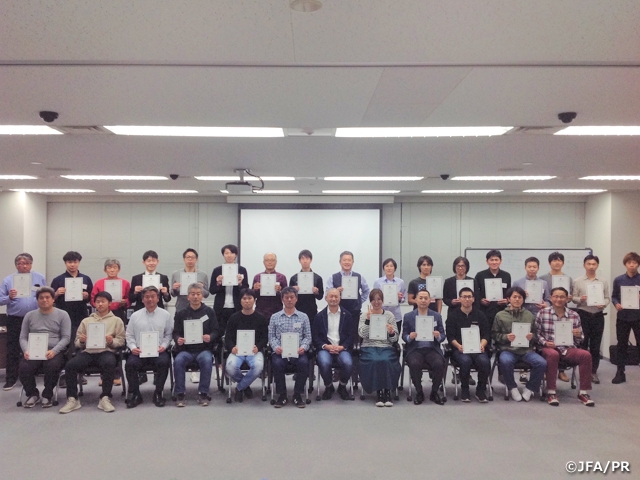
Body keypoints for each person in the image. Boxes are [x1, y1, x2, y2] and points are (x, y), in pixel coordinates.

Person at [58, 291, 126, 414]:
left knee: (109, 363)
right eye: (98, 302)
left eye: (103, 301)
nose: (100, 304)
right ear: (94, 304)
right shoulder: (86, 321)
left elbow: (121, 341)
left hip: (106, 351)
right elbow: (76, 342)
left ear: (109, 303)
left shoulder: (117, 320)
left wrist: (112, 341)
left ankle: (105, 397)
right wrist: (82, 341)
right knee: (70, 365)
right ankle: (72, 399)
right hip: (88, 352)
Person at [536, 287, 594, 407]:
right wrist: (545, 342)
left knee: (586, 355)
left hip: (568, 348)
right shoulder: (542, 313)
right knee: (553, 354)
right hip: (549, 347)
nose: (559, 299)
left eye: (562, 297)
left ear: (567, 299)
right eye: (556, 296)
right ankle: (551, 392)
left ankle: (583, 392)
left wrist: (578, 335)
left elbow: (580, 339)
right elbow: (536, 334)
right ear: (551, 298)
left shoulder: (574, 315)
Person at [0, 253, 47, 390]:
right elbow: (0, 300)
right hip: (15, 318)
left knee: (36, 345)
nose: (23, 266)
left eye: (26, 263)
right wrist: (9, 297)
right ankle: (11, 378)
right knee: (13, 348)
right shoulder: (8, 280)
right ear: (16, 265)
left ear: (31, 264)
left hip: (36, 317)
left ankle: (34, 374)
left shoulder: (39, 277)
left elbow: (46, 295)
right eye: (20, 263)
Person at [18, 287, 71, 408]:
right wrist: (26, 350)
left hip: (54, 351)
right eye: (41, 298)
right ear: (37, 300)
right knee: (23, 367)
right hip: (33, 350)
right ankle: (32, 394)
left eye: (47, 297)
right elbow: (23, 337)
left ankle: (47, 394)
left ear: (53, 299)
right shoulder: (29, 316)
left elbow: (66, 338)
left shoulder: (63, 315)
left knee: (52, 366)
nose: (44, 300)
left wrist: (54, 351)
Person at [492, 286, 547, 402]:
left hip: (526, 350)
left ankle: (530, 388)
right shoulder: (500, 315)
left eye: (520, 297)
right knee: (505, 361)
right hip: (508, 349)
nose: (517, 299)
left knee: (541, 363)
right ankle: (512, 388)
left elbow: (536, 335)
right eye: (514, 297)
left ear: (523, 299)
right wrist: (506, 337)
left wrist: (532, 337)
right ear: (508, 299)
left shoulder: (529, 315)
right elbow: (494, 335)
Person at [124, 286, 173, 408]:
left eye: (153, 296)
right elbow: (129, 335)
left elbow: (168, 334)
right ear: (142, 299)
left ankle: (158, 393)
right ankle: (136, 394)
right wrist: (133, 347)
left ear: (158, 298)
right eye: (147, 297)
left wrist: (163, 346)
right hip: (139, 351)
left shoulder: (165, 315)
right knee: (130, 364)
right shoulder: (135, 316)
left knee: (164, 362)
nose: (150, 299)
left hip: (158, 350)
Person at [50, 251, 93, 386]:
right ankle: (64, 375)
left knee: (81, 344)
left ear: (79, 262)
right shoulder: (58, 280)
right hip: (63, 317)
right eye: (69, 262)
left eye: (75, 262)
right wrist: (56, 294)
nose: (72, 264)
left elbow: (92, 298)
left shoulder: (86, 279)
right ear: (65, 263)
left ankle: (80, 373)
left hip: (81, 316)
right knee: (65, 346)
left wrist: (87, 296)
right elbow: (50, 299)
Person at [172, 283, 219, 407]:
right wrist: (178, 339)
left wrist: (210, 337)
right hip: (186, 350)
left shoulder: (209, 312)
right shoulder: (181, 313)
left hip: (204, 349)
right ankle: (180, 393)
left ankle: (203, 393)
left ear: (202, 296)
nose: (195, 297)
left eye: (198, 294)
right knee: (178, 361)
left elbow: (216, 330)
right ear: (188, 296)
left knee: (207, 360)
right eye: (192, 294)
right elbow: (175, 332)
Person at [445, 287, 491, 403]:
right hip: (460, 349)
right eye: (464, 297)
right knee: (465, 361)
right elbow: (450, 336)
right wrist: (458, 346)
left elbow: (486, 334)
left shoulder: (480, 315)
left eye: (469, 297)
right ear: (459, 299)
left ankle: (480, 390)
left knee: (484, 361)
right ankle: (464, 389)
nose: (467, 299)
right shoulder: (453, 316)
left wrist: (482, 345)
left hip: (477, 348)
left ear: (473, 299)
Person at [268, 287, 311, 408]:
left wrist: (303, 347)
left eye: (292, 297)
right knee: (277, 363)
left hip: (298, 352)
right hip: (280, 352)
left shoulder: (303, 317)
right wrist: (276, 347)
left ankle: (297, 395)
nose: (289, 300)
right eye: (286, 297)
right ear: (282, 299)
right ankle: (282, 395)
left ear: (296, 299)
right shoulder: (275, 317)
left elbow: (308, 337)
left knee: (304, 363)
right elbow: (271, 337)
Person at [358, 289, 401, 407]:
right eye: (373, 299)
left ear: (382, 300)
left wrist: (391, 332)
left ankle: (387, 391)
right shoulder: (364, 315)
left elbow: (395, 339)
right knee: (375, 360)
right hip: (369, 346)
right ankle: (378, 392)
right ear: (370, 301)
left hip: (386, 346)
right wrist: (368, 320)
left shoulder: (389, 315)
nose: (376, 302)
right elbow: (362, 334)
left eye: (379, 299)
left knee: (386, 360)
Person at [402, 290, 446, 405]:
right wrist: (410, 337)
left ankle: (434, 392)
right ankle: (419, 392)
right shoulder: (408, 316)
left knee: (439, 363)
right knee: (414, 363)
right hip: (415, 349)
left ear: (430, 300)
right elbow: (404, 335)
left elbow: (443, 335)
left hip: (432, 349)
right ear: (416, 300)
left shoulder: (436, 316)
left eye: (426, 298)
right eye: (420, 298)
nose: (423, 300)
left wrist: (438, 336)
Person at [572, 254, 610, 384]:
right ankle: (583, 371)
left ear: (597, 265)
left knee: (595, 345)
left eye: (594, 264)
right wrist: (580, 299)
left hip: (598, 316)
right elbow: (573, 298)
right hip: (583, 315)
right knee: (582, 344)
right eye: (589, 264)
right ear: (584, 265)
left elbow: (607, 298)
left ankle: (593, 372)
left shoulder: (603, 281)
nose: (591, 266)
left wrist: (603, 304)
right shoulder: (578, 281)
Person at [225, 289, 268, 402]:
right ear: (240, 301)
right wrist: (232, 347)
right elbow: (228, 337)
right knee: (230, 367)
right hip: (237, 351)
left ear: (254, 300)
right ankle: (245, 386)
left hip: (254, 351)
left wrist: (258, 347)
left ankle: (240, 388)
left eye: (250, 298)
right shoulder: (234, 318)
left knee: (258, 366)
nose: (247, 301)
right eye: (244, 298)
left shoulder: (260, 318)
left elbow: (265, 337)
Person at [312, 288, 355, 401]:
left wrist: (342, 347)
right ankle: (329, 386)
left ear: (340, 298)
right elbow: (315, 336)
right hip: (325, 348)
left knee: (348, 363)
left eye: (336, 296)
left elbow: (351, 335)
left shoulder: (347, 315)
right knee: (324, 362)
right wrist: (325, 346)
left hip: (342, 348)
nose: (333, 299)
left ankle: (342, 386)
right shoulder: (319, 316)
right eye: (331, 296)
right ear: (326, 298)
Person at [539, 251, 574, 382]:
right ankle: (546, 370)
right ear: (550, 263)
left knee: (562, 341)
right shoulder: (543, 278)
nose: (557, 263)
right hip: (547, 314)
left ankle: (561, 371)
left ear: (563, 263)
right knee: (549, 343)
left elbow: (570, 296)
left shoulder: (568, 278)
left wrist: (569, 298)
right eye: (554, 260)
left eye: (559, 260)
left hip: (562, 314)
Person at [325, 251, 370, 339]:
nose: (347, 262)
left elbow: (366, 291)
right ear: (340, 262)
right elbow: (327, 295)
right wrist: (336, 291)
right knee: (339, 335)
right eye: (344, 260)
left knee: (353, 336)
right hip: (338, 312)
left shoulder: (359, 277)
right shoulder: (333, 277)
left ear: (353, 262)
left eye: (349, 260)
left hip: (354, 312)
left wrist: (359, 301)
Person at [611, 252, 640, 384]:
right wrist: (616, 303)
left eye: (634, 262)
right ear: (625, 264)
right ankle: (620, 372)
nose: (632, 265)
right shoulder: (619, 280)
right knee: (621, 345)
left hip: (638, 317)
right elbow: (614, 296)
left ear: (638, 264)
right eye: (629, 263)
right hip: (623, 317)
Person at [210, 244, 249, 334]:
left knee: (236, 331)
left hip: (237, 306)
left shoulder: (242, 270)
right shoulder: (217, 270)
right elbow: (212, 290)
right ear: (223, 255)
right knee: (219, 332)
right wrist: (218, 283)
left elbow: (246, 290)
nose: (229, 255)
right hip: (221, 307)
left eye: (232, 253)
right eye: (226, 253)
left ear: (236, 255)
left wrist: (240, 284)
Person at [475, 249, 511, 327]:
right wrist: (481, 300)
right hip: (485, 311)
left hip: (502, 311)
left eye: (496, 260)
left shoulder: (506, 275)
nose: (494, 262)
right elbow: (475, 293)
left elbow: (509, 293)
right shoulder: (480, 275)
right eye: (491, 260)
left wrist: (507, 300)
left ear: (500, 261)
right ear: (487, 261)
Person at [289, 249, 324, 327]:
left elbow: (320, 297)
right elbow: (289, 297)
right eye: (302, 258)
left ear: (311, 260)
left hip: (312, 311)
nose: (305, 261)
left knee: (312, 331)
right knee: (297, 331)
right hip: (297, 311)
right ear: (299, 261)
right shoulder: (294, 278)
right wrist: (293, 291)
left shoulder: (317, 278)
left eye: (307, 258)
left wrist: (316, 292)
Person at [91, 258, 131, 324]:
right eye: (109, 268)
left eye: (115, 267)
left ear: (119, 269)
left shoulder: (125, 283)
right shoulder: (98, 283)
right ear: (105, 270)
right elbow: (93, 299)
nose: (112, 270)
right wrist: (100, 304)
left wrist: (125, 302)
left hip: (119, 312)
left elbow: (129, 298)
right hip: (102, 313)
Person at [171, 248, 210, 314]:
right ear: (184, 259)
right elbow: (173, 294)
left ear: (196, 259)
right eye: (188, 257)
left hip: (197, 309)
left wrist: (201, 288)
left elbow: (206, 295)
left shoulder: (203, 275)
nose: (190, 259)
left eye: (192, 257)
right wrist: (174, 289)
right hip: (181, 308)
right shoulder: (176, 274)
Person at [373, 258, 406, 333]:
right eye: (387, 266)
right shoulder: (378, 282)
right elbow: (373, 297)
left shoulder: (400, 282)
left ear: (395, 268)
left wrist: (399, 298)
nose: (389, 268)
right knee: (382, 336)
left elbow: (403, 298)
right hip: (381, 314)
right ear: (383, 268)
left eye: (391, 266)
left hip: (396, 315)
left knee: (394, 336)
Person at [253, 252, 288, 320]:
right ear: (263, 262)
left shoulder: (282, 277)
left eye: (272, 260)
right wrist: (255, 289)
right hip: (260, 311)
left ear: (276, 262)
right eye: (267, 260)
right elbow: (253, 296)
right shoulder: (257, 277)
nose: (270, 262)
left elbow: (286, 297)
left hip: (277, 311)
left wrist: (280, 291)